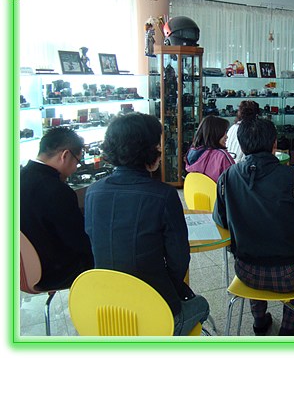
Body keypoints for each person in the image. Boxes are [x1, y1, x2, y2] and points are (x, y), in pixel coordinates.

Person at [84, 113, 208, 336]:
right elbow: (179, 258)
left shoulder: (93, 192)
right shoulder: (163, 195)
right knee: (202, 305)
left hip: (106, 307)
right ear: (149, 150)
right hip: (154, 310)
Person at [213, 117, 294, 336]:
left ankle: (260, 322)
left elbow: (220, 220)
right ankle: (288, 329)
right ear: (274, 144)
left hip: (246, 271)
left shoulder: (226, 178)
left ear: (241, 146)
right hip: (290, 274)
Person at [20, 127, 93, 292]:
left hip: (20, 270)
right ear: (65, 155)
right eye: (77, 162)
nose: (75, 169)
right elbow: (80, 242)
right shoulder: (57, 191)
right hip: (53, 272)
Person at [186, 115, 234, 182]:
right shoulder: (221, 156)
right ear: (216, 133)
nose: (226, 136)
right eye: (224, 132)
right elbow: (235, 181)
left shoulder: (191, 153)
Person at [226, 100, 260, 164]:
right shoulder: (251, 129)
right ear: (256, 114)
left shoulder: (233, 127)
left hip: (228, 162)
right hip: (242, 164)